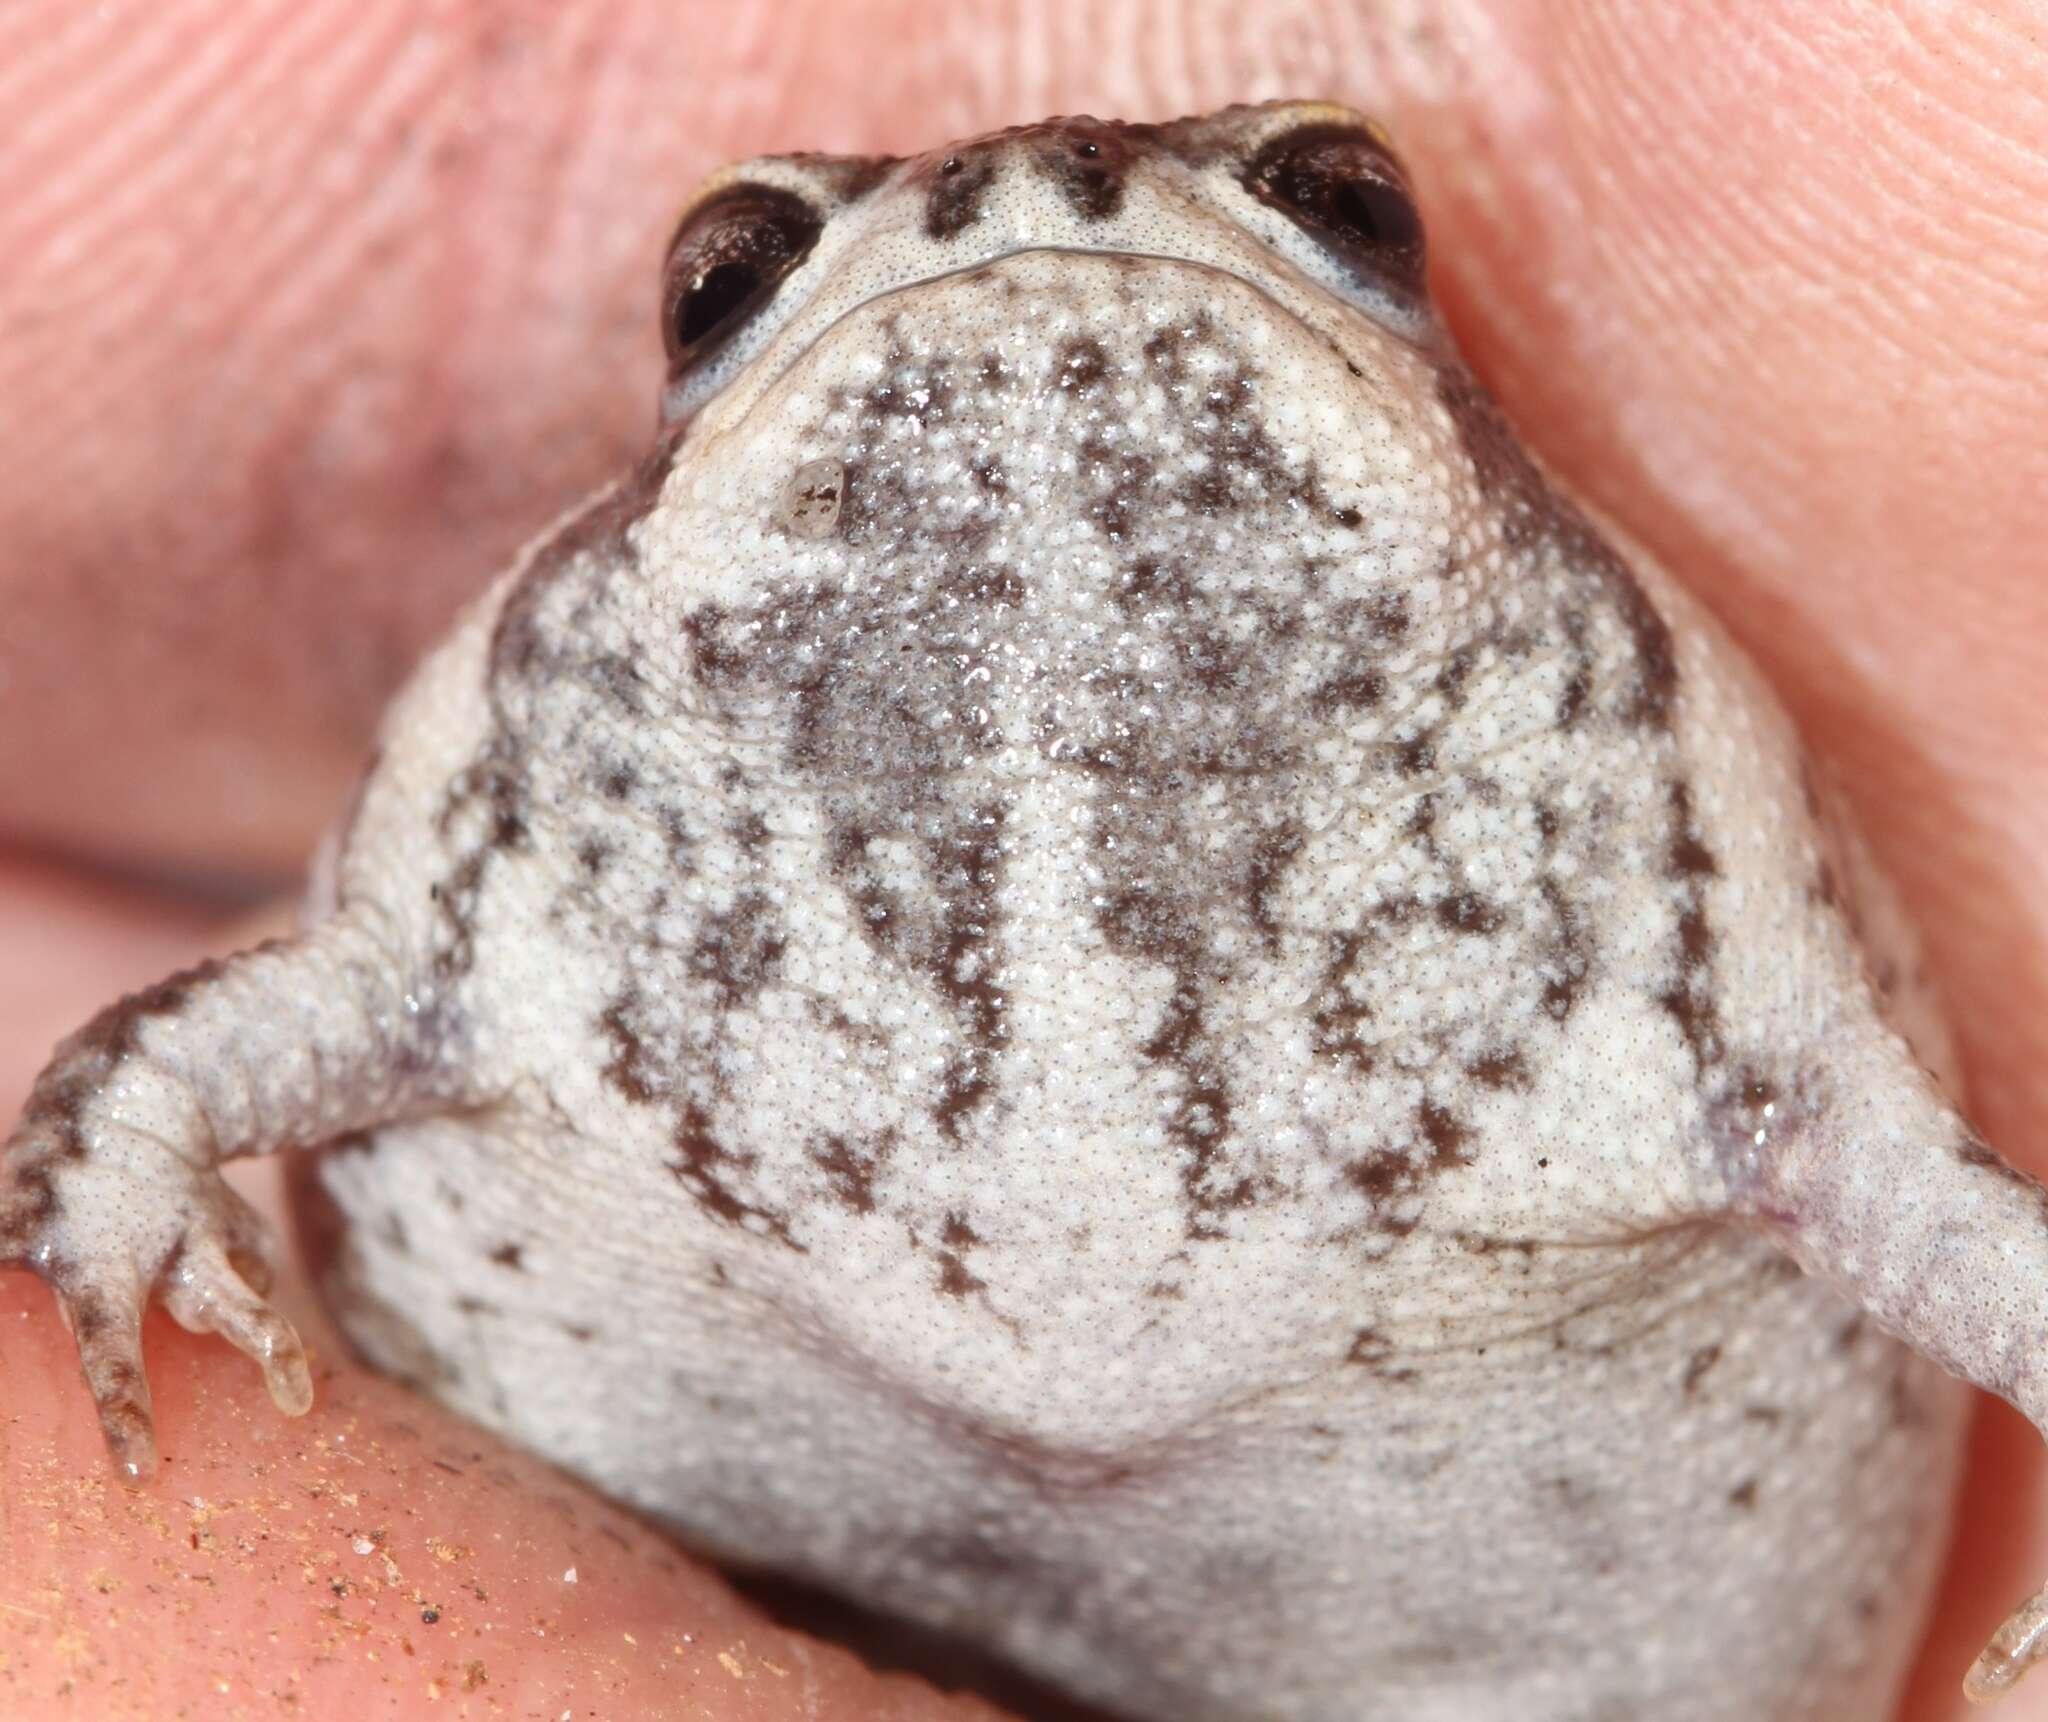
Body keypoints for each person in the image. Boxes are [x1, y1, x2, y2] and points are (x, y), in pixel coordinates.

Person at [2, 3, 2042, 1716]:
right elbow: (241, 1045)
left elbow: (1879, 1176)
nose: (1042, 210)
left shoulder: (1598, 728)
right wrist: (94, 1202)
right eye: (741, 276)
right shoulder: (569, 743)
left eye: (1326, 209)